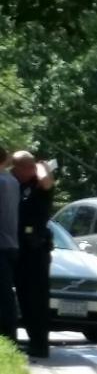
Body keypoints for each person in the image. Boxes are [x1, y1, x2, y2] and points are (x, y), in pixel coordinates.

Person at [12, 151, 54, 358]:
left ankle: (39, 344)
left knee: (35, 298)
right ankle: (27, 341)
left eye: (28, 167)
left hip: (36, 248)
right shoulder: (12, 184)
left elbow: (47, 181)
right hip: (16, 246)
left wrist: (40, 166)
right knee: (21, 297)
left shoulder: (39, 184)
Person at [0, 147, 19, 343]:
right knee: (6, 294)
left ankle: (7, 337)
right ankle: (9, 336)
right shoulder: (12, 181)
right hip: (11, 243)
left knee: (3, 296)